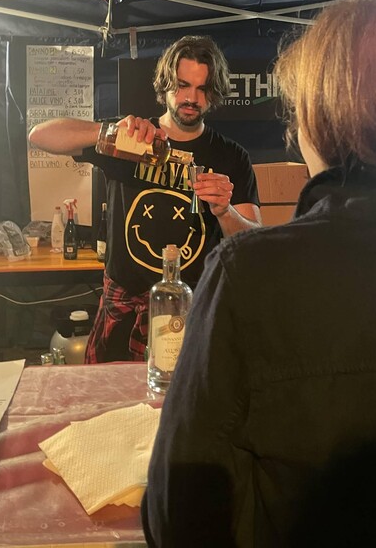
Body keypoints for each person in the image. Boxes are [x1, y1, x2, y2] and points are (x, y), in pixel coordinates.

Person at [142, 0, 376, 547]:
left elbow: (181, 517)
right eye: (182, 85)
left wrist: (225, 214)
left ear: (322, 117)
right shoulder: (138, 142)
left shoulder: (248, 271)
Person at [29, 35, 260, 362]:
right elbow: (39, 136)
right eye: (182, 85)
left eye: (203, 89)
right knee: (114, 396)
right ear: (166, 85)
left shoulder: (231, 156)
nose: (191, 98)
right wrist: (108, 132)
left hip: (192, 310)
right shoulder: (131, 140)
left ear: (214, 93)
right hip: (124, 310)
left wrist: (225, 211)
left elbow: (253, 242)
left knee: (184, 396)